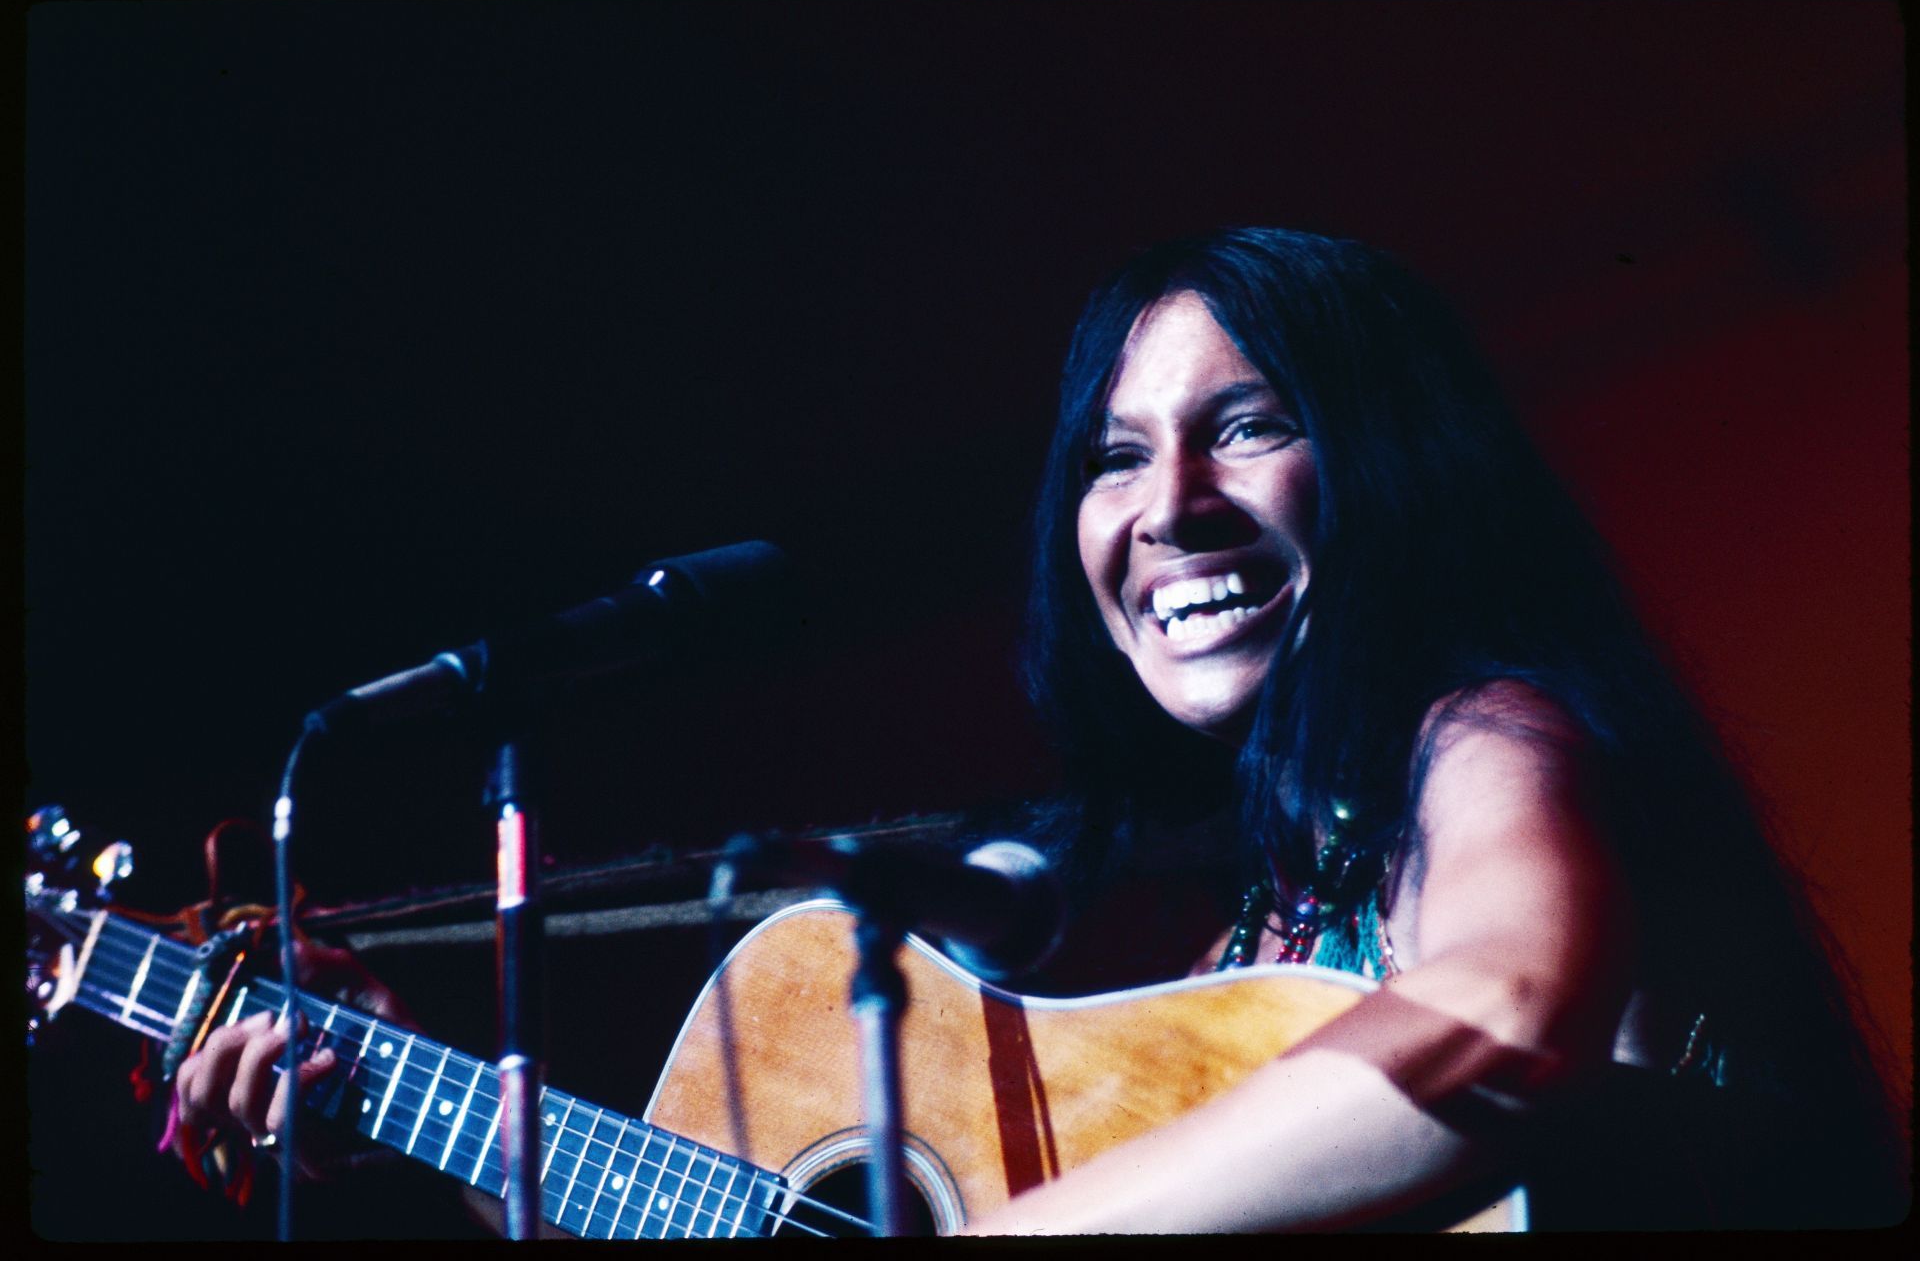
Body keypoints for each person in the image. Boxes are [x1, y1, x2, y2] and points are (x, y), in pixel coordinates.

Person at [169, 227, 1906, 1232]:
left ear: (1392, 469)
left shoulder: (1497, 726)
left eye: (1249, 429)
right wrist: (395, 1088)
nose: (1171, 508)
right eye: (1115, 455)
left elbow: (1504, 1014)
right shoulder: (1246, 902)